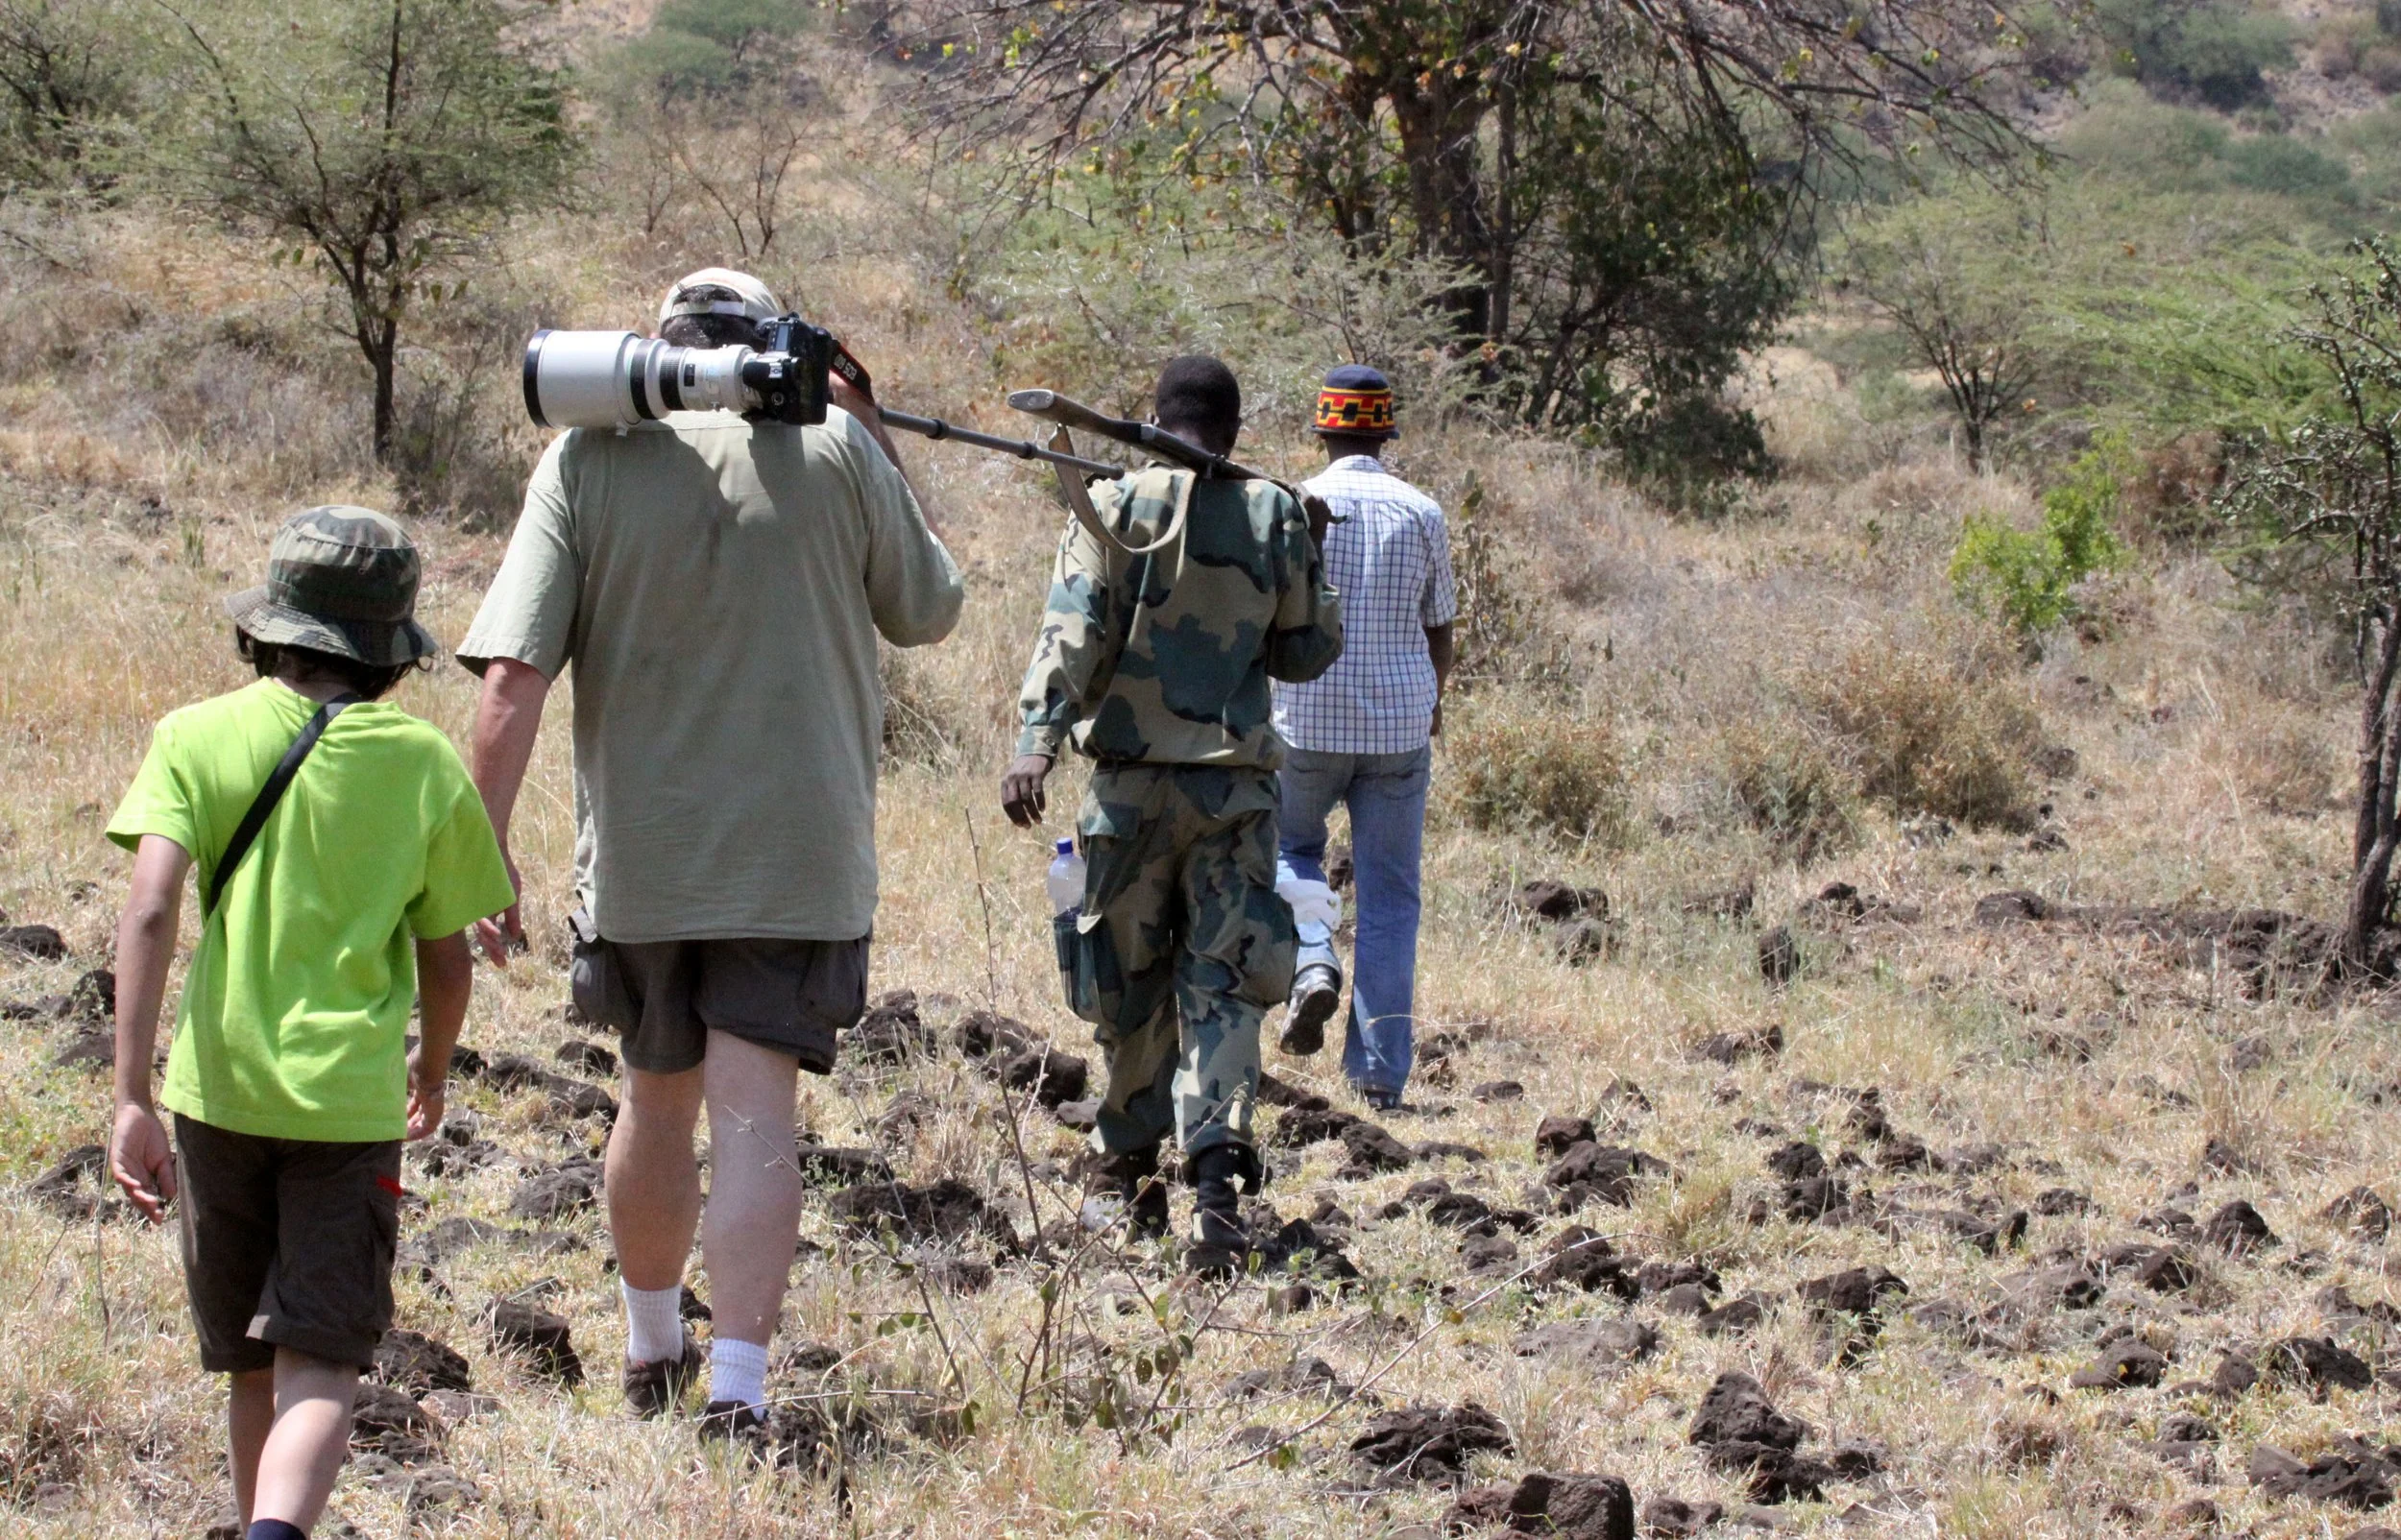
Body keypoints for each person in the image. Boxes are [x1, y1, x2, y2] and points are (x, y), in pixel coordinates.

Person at [456, 268, 963, 1437]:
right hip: (798, 859)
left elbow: (509, 679)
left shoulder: (584, 459)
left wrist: (479, 837)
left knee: (652, 1090)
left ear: (657, 350)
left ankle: (651, 1347)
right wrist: (872, 425)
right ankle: (736, 1387)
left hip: (642, 859)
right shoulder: (836, 447)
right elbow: (930, 608)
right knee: (754, 1115)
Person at [105, 507, 514, 1540]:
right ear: (390, 650)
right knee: (322, 1360)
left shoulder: (196, 734)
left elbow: (149, 908)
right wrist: (436, 1063)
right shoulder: (421, 764)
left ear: (269, 628)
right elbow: (445, 953)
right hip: (344, 1106)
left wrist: (128, 1096)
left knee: (249, 1354)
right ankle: (279, 1530)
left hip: (213, 1095)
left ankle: (259, 1524)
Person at [1001, 355, 1343, 1266]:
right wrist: (1311, 547)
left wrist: (1037, 741)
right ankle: (1218, 1184)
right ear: (1232, 431)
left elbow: (1070, 629)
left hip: (1126, 793)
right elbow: (1308, 653)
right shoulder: (1271, 511)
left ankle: (1126, 1177)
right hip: (1233, 798)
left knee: (1128, 989)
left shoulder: (1110, 508)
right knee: (1223, 982)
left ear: (1155, 417)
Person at [1271, 365, 1457, 1111]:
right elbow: (1439, 625)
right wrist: (1432, 699)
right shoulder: (1422, 511)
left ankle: (1314, 961)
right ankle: (1379, 1074)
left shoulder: (1293, 503)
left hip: (1306, 720)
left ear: (1321, 431)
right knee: (1390, 898)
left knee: (1288, 851)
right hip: (1399, 728)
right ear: (1384, 432)